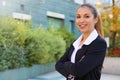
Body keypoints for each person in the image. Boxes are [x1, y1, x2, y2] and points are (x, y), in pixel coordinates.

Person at [55, 3, 107, 80]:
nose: (81, 20)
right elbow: (58, 65)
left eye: (87, 16)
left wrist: (66, 64)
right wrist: (70, 74)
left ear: (95, 19)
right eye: (78, 17)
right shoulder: (76, 42)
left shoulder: (99, 43)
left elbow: (78, 70)